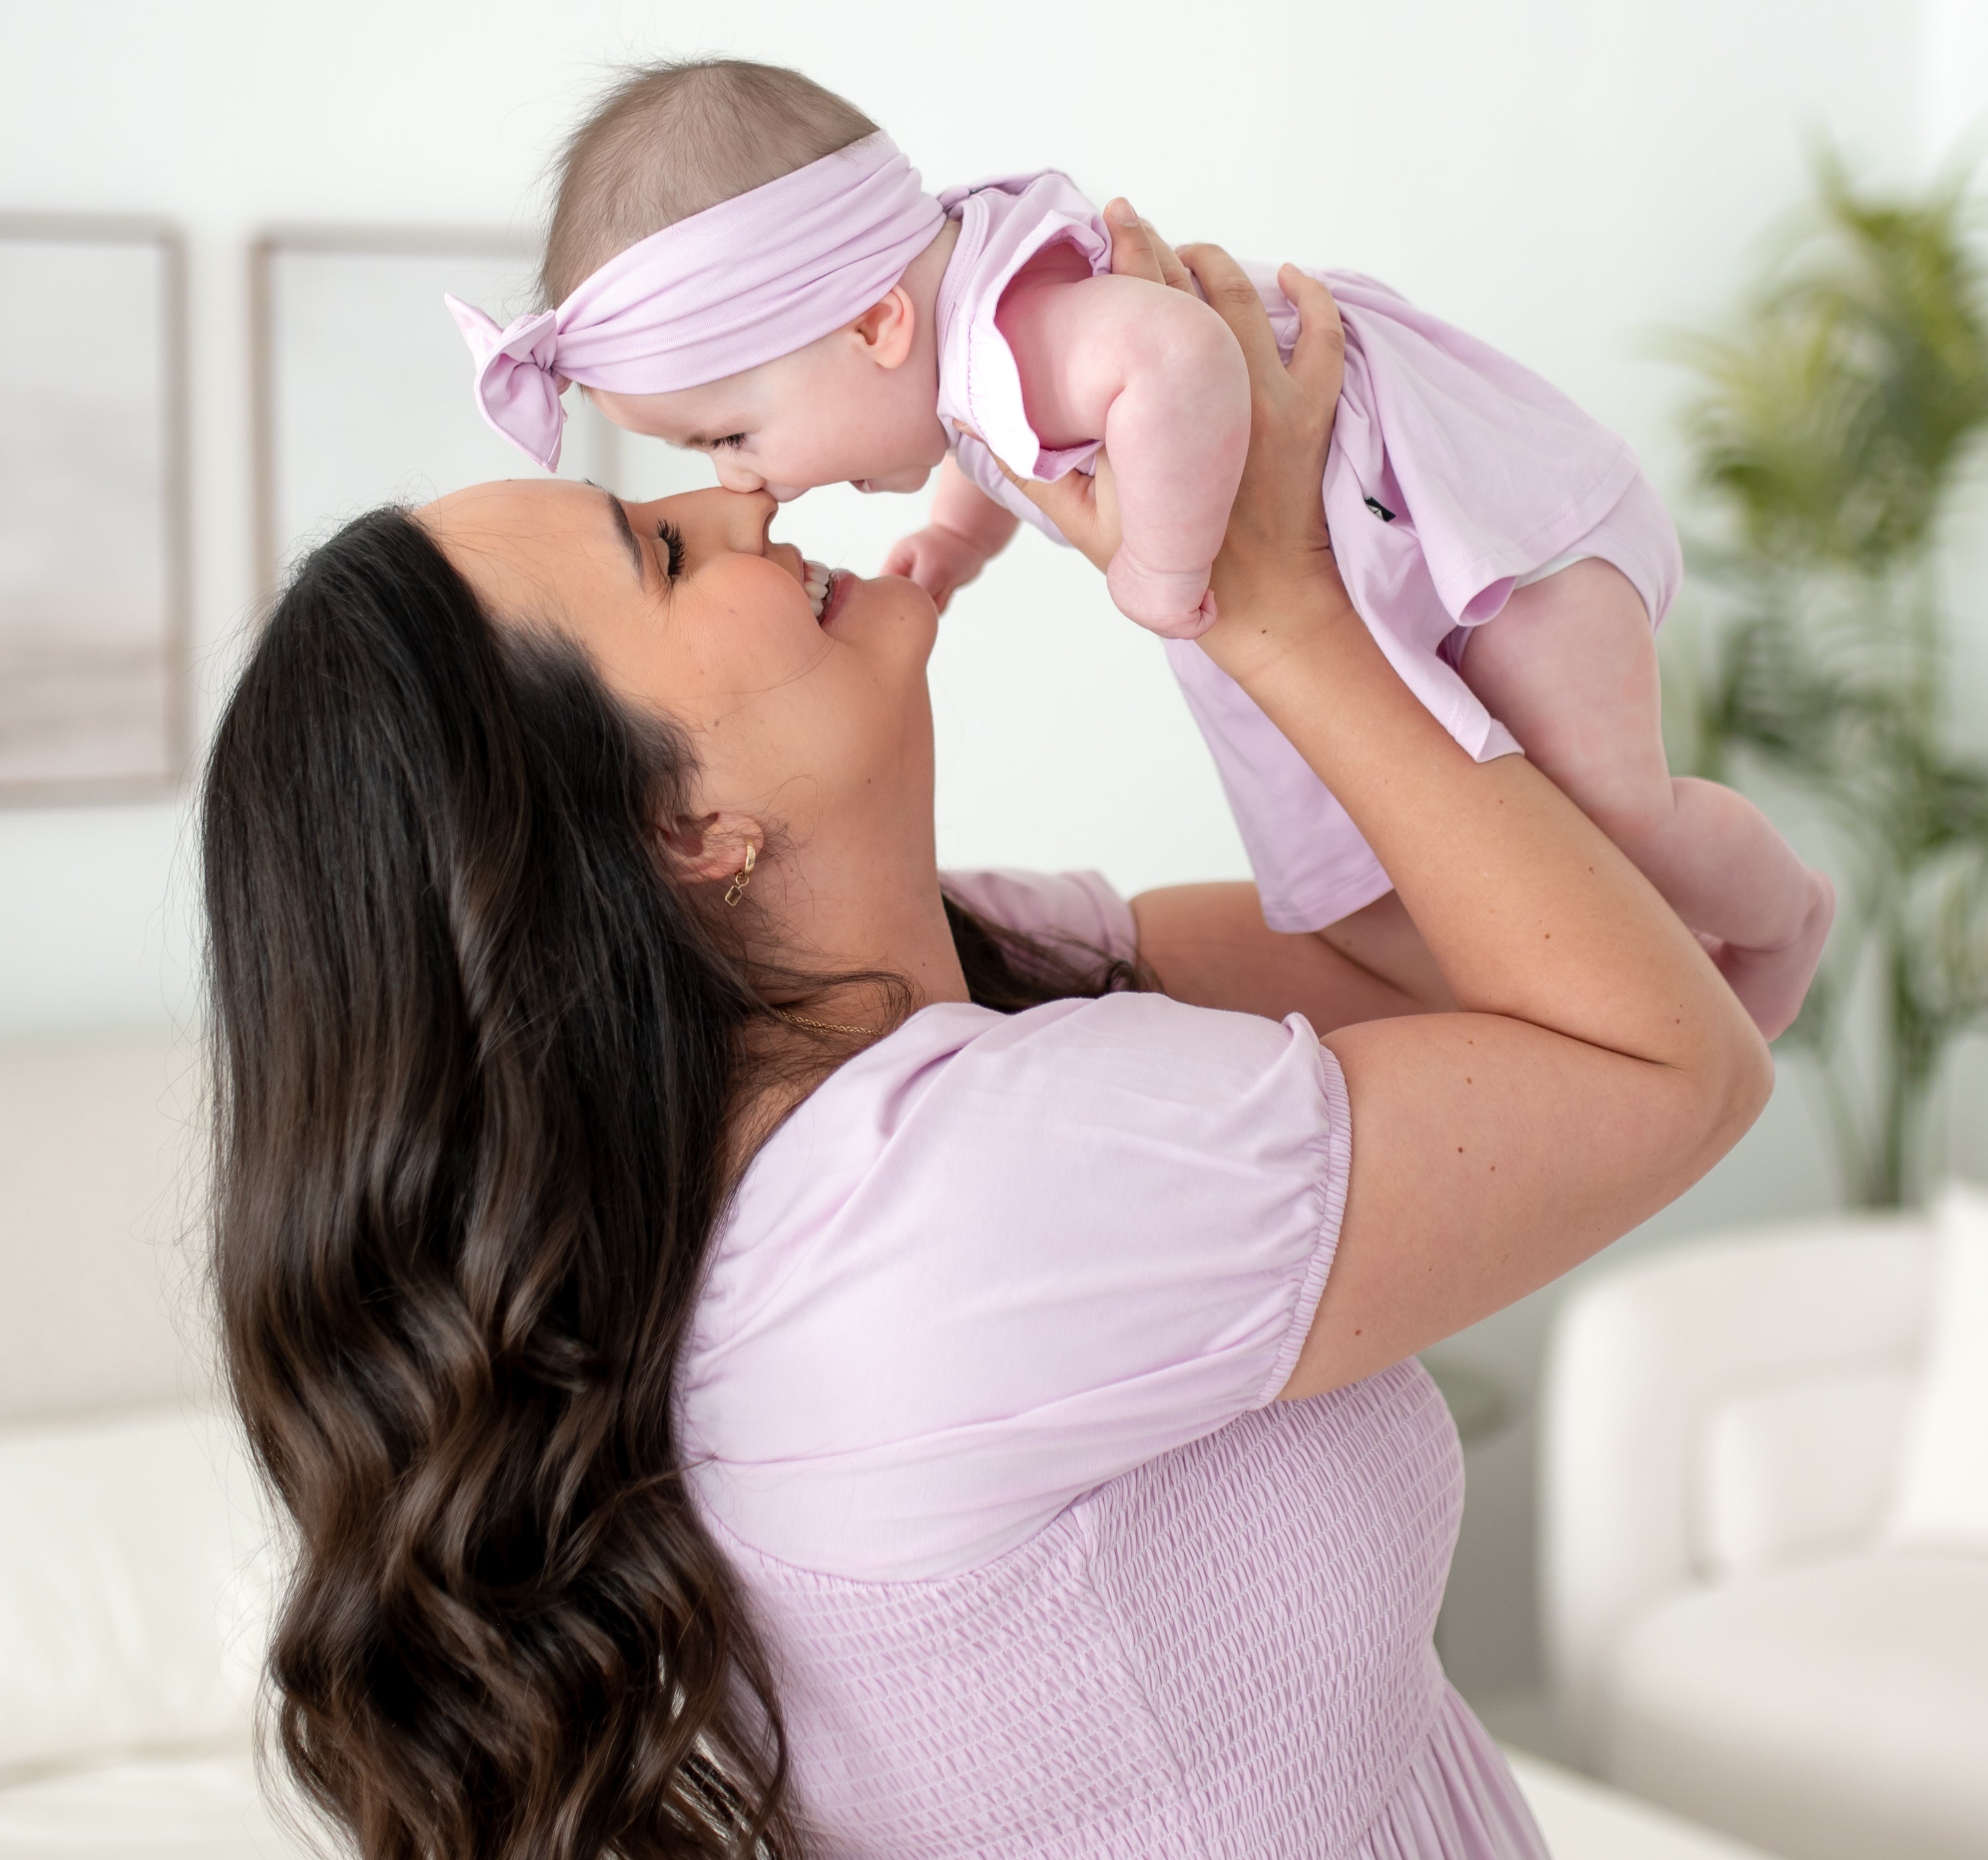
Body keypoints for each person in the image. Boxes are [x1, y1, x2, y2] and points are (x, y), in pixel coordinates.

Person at [208, 217, 1770, 1860]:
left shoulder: (918, 1003)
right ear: (681, 829)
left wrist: (1261, 518)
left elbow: (1434, 959)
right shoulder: (944, 1212)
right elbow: (1663, 1063)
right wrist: (1263, 607)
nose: (742, 494)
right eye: (659, 552)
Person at [448, 57, 1833, 1040]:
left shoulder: (1028, 333)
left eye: (726, 438)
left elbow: (1173, 357)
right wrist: (951, 534)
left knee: (1605, 812)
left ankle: (1783, 923)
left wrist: (1163, 573)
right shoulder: (970, 360)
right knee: (1366, 897)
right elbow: (1003, 452)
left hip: (1477, 526)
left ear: (873, 325)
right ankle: (1638, 974)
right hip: (1365, 566)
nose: (746, 487)